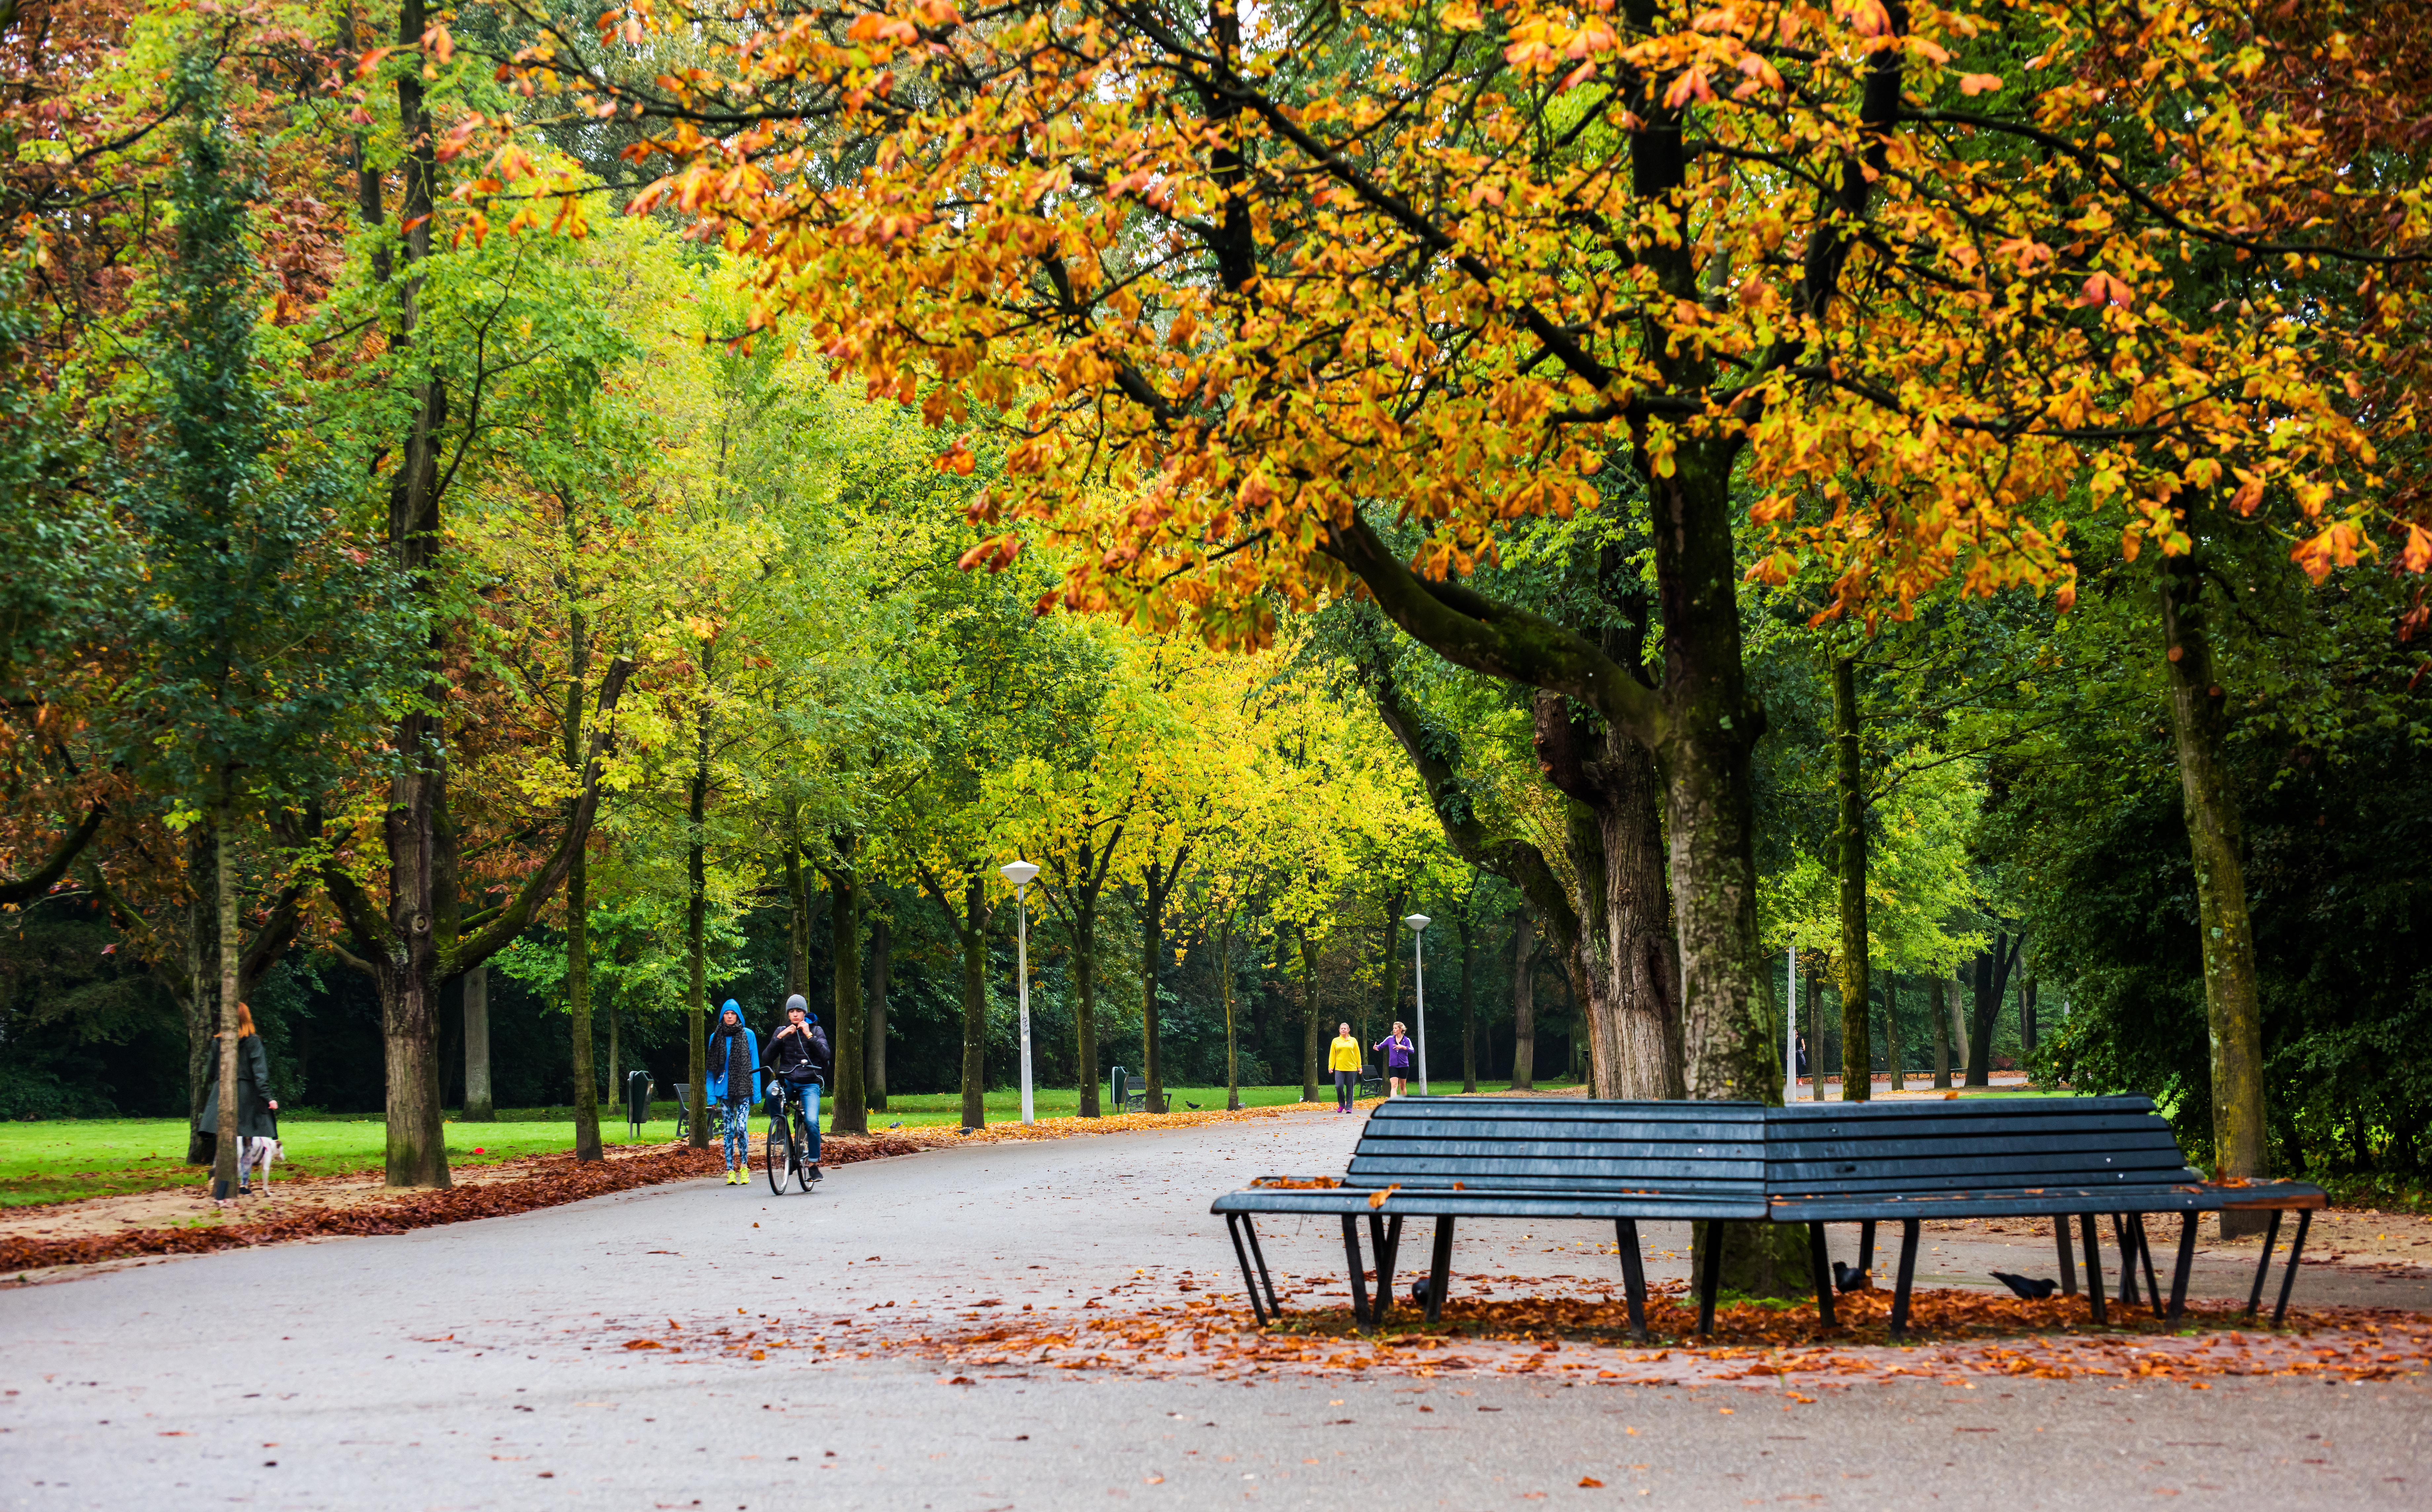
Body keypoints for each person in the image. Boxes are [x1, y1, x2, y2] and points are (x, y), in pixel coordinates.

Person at [197, 1002, 279, 1200]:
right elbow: (260, 1073)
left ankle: (221, 1187)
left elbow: (210, 1072)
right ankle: (243, 1185)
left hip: (222, 1093)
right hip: (247, 1096)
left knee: (226, 1143)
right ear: (247, 1018)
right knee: (247, 1142)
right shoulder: (253, 1042)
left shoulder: (218, 1042)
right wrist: (268, 1098)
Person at [762, 994, 831, 1180]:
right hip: (788, 1080)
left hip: (810, 1083)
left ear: (804, 1013)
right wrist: (780, 1037)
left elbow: (826, 1055)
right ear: (788, 1014)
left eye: (798, 1011)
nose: (795, 1015)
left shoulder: (816, 1031)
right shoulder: (781, 1031)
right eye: (791, 1012)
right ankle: (781, 1127)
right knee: (771, 1092)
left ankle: (814, 1165)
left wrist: (809, 1035)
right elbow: (766, 1058)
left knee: (812, 1122)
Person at [705, 1001, 760, 1184]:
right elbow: (711, 1069)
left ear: (738, 1016)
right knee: (729, 1130)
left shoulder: (748, 1035)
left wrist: (757, 1093)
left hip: (744, 1089)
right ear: (722, 1016)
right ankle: (730, 1170)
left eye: (733, 1013)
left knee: (742, 1128)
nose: (730, 1016)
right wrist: (711, 1096)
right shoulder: (715, 1037)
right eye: (727, 1013)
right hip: (724, 1090)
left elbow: (755, 1065)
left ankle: (744, 1167)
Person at [1374, 1021, 1416, 1098]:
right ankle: (1394, 1103)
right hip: (1393, 1066)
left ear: (1401, 1029)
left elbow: (1412, 1050)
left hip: (1404, 1066)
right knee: (1394, 1085)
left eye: (1396, 1028)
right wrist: (1376, 1047)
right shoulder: (1390, 1039)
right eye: (1393, 1028)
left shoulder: (1407, 1040)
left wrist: (1403, 1047)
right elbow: (1380, 1046)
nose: (1394, 1030)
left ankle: (1403, 1103)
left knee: (1402, 1086)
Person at [1327, 1023, 1361, 1114]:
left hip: (1352, 1068)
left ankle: (1349, 1107)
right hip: (1339, 1068)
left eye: (1345, 1029)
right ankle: (1342, 1104)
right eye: (1342, 1029)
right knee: (1339, 1086)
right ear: (1339, 1031)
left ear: (1348, 1030)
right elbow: (1332, 1055)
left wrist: (1360, 1067)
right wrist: (1331, 1067)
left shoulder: (1353, 1041)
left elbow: (1358, 1054)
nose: (1343, 1030)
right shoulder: (1335, 1041)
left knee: (1350, 1088)